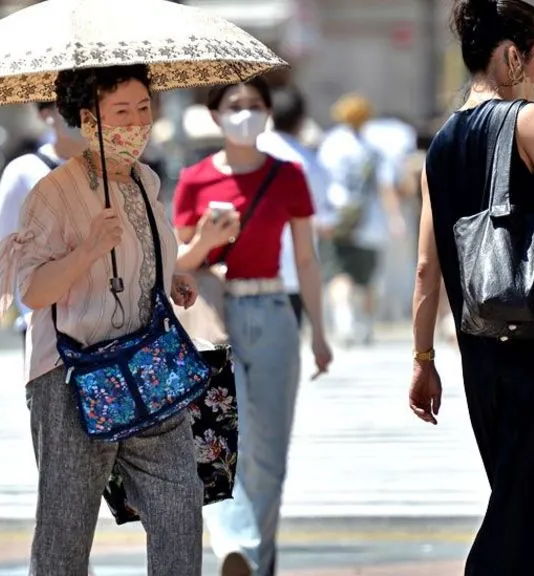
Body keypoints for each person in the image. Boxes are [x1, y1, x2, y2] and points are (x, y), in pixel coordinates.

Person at [409, 1, 534, 574]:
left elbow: (427, 269)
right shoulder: (528, 120)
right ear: (511, 56)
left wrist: (423, 358)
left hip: (477, 348)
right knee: (524, 505)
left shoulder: (441, 143)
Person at [0, 64, 204, 576]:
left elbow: (146, 257)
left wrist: (169, 279)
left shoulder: (147, 180)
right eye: (121, 112)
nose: (137, 123)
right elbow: (33, 291)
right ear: (89, 120)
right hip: (70, 378)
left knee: (181, 507)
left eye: (144, 109)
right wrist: (86, 250)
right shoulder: (53, 193)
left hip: (149, 367)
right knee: (66, 528)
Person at [173, 78, 333, 576]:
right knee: (219, 444)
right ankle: (236, 547)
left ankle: (252, 561)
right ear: (215, 116)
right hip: (212, 317)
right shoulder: (195, 178)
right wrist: (205, 239)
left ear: (269, 113)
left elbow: (306, 260)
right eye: (234, 106)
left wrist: (322, 335)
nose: (246, 114)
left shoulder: (288, 176)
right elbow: (177, 265)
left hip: (272, 309)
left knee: (270, 451)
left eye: (255, 105)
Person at [0, 101, 87, 375]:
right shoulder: (24, 172)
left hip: (105, 322)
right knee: (54, 417)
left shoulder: (111, 168)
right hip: (43, 327)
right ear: (44, 114)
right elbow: (0, 248)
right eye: (64, 107)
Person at [316, 94, 405, 346]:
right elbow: (386, 187)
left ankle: (344, 321)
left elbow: (319, 181)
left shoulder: (330, 144)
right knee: (366, 279)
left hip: (337, 219)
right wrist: (395, 218)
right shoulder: (374, 149)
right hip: (370, 224)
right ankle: (365, 324)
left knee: (338, 274)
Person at [255, 84, 331, 327]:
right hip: (293, 273)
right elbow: (324, 220)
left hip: (247, 272)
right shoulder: (310, 164)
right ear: (301, 121)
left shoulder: (248, 152)